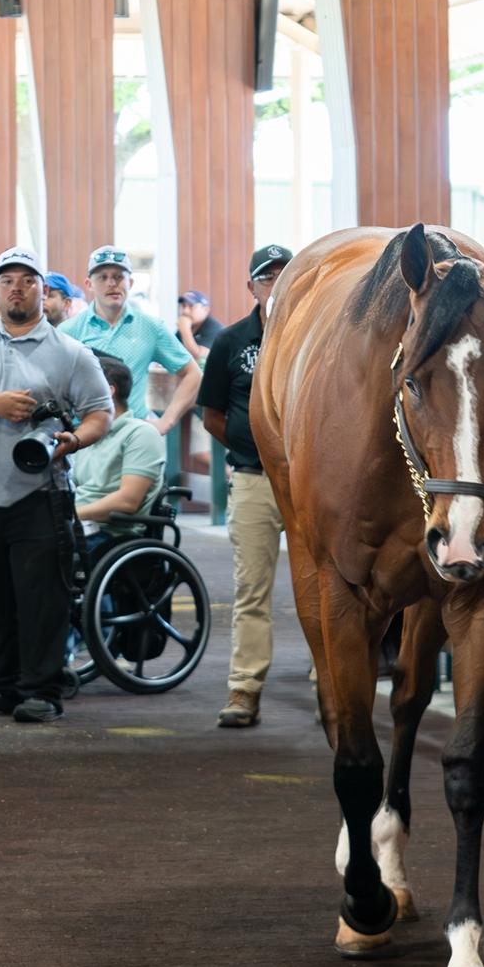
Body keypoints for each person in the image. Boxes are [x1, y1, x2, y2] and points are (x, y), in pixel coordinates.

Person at [0, 247, 114, 725]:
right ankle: (2, 686)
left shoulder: (70, 351)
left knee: (41, 599)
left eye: (27, 280)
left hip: (40, 496)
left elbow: (101, 412)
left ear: (42, 290)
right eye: (7, 279)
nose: (16, 287)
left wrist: (72, 440)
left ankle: (42, 691)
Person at [199, 243, 290, 728]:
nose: (275, 284)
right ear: (251, 286)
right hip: (255, 478)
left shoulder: (312, 339)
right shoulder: (232, 341)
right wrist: (244, 446)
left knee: (326, 588)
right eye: (267, 277)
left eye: (284, 275)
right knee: (251, 588)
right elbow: (212, 413)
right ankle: (244, 688)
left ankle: (333, 688)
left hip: (306, 484)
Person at [64, 244, 199, 436]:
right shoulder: (69, 331)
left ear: (131, 283)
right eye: (103, 277)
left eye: (119, 277)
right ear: (89, 284)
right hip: (84, 438)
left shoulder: (150, 327)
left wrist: (165, 422)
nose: (112, 283)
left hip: (134, 437)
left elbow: (193, 373)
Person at [69, 353, 163, 535]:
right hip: (78, 527)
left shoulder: (140, 434)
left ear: (108, 391)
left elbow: (127, 501)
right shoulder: (88, 433)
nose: (76, 394)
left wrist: (71, 515)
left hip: (109, 533)